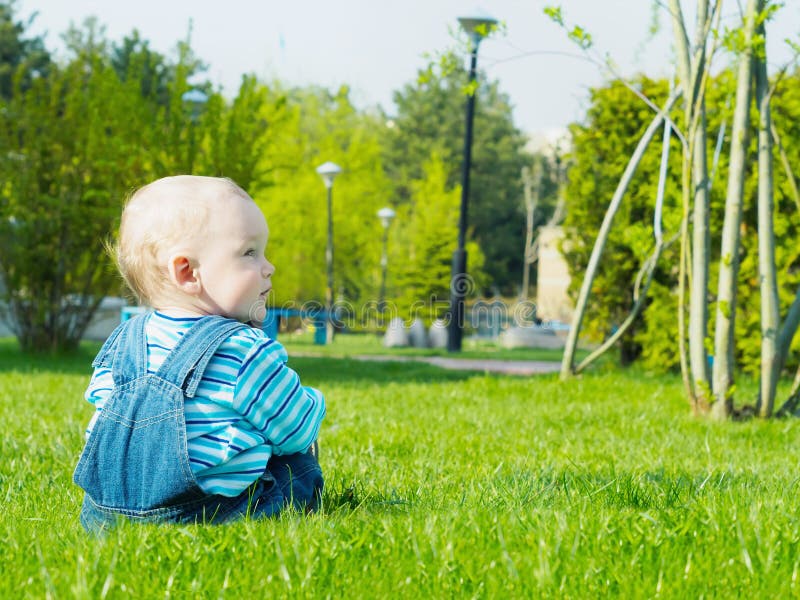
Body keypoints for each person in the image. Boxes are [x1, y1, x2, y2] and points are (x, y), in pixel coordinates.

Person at [73, 175, 325, 532]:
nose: (269, 267)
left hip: (107, 516)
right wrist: (312, 403)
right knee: (298, 463)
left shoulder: (121, 342)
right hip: (211, 513)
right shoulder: (242, 349)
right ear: (188, 272)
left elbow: (99, 430)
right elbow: (297, 430)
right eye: (249, 253)